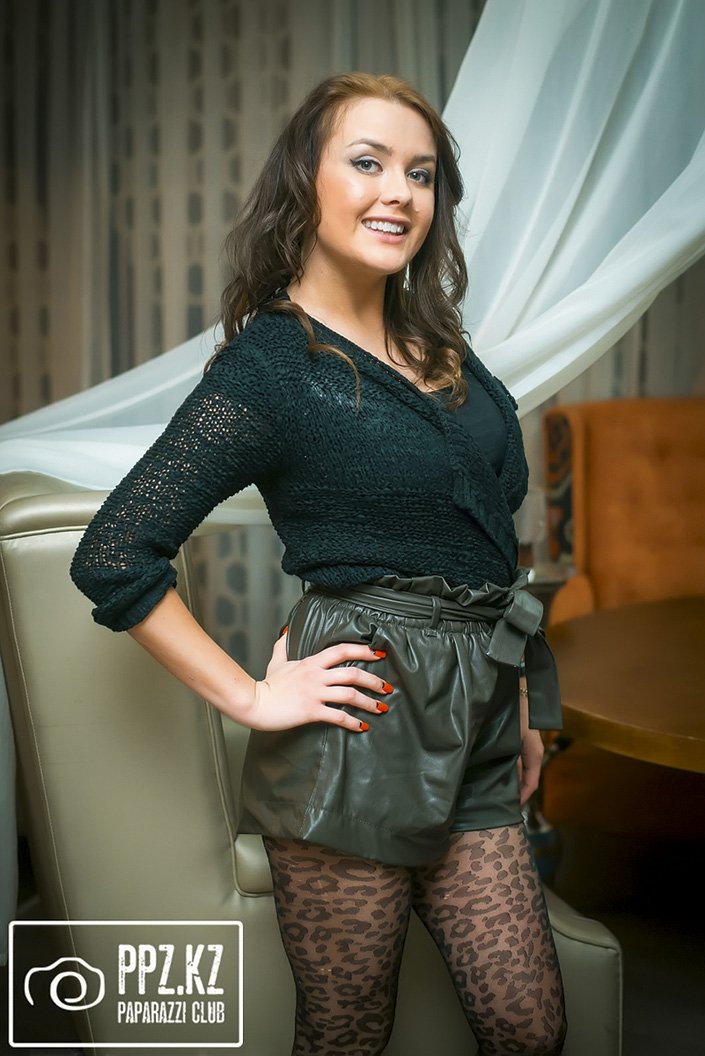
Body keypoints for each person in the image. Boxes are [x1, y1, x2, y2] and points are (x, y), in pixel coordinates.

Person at [71, 72, 566, 1056]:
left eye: (420, 174)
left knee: (529, 1026)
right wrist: (252, 698)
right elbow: (115, 552)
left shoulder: (441, 343)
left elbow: (484, 536)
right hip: (358, 732)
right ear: (306, 178)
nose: (399, 193)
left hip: (480, 720)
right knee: (346, 1034)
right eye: (368, 162)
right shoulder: (271, 367)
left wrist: (514, 697)